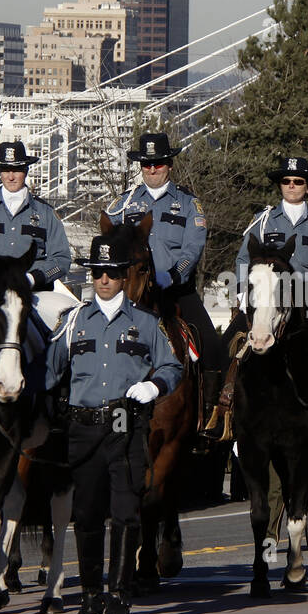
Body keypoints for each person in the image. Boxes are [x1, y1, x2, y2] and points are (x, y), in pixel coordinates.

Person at [46, 232, 183, 614]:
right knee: (87, 515)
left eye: (111, 272)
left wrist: (154, 385)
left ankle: (119, 594)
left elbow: (173, 367)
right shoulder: (72, 322)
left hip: (126, 429)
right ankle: (90, 596)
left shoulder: (146, 322)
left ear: (125, 275)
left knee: (125, 513)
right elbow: (49, 372)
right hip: (83, 429)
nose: (103, 279)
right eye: (97, 272)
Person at [223, 155, 308, 435]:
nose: (292, 186)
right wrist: (241, 292)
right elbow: (242, 260)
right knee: (226, 345)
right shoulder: (262, 222)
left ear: (307, 187)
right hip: (267, 301)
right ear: (280, 185)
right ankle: (221, 412)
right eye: (286, 181)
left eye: (298, 181)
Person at [108, 133, 224, 424]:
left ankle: (211, 416)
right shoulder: (123, 205)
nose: (152, 170)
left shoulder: (188, 203)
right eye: (146, 165)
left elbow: (193, 247)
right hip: (134, 297)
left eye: (157, 164)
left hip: (175, 293)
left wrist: (172, 274)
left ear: (169, 164)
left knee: (212, 346)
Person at [0, 140, 75, 335]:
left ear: (25, 170)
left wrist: (34, 278)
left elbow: (61, 259)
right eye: (5, 169)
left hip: (34, 295)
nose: (10, 176)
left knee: (57, 340)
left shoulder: (45, 213)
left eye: (16, 170)